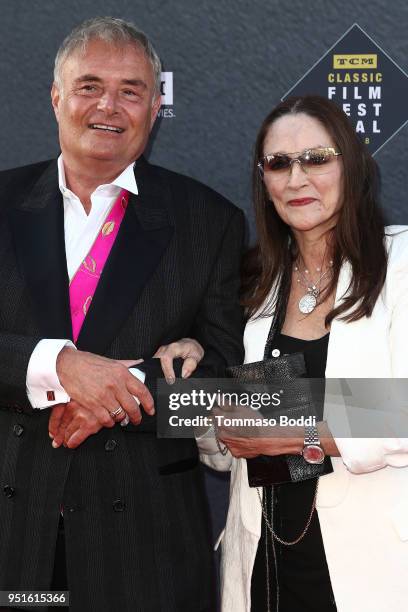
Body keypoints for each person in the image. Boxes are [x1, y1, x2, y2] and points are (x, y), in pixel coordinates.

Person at [0, 17, 245, 612]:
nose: (109, 105)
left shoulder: (209, 222)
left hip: (143, 547)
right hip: (16, 535)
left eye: (131, 90)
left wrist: (122, 390)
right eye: (88, 86)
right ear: (56, 97)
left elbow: (228, 382)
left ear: (156, 106)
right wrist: (56, 365)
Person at [159, 96, 408, 612]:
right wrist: (198, 388)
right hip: (263, 562)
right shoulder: (253, 285)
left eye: (317, 158)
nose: (297, 179)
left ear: (352, 166)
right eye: (278, 163)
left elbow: (400, 408)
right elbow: (228, 448)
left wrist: (291, 426)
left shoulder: (400, 262)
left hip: (374, 569)